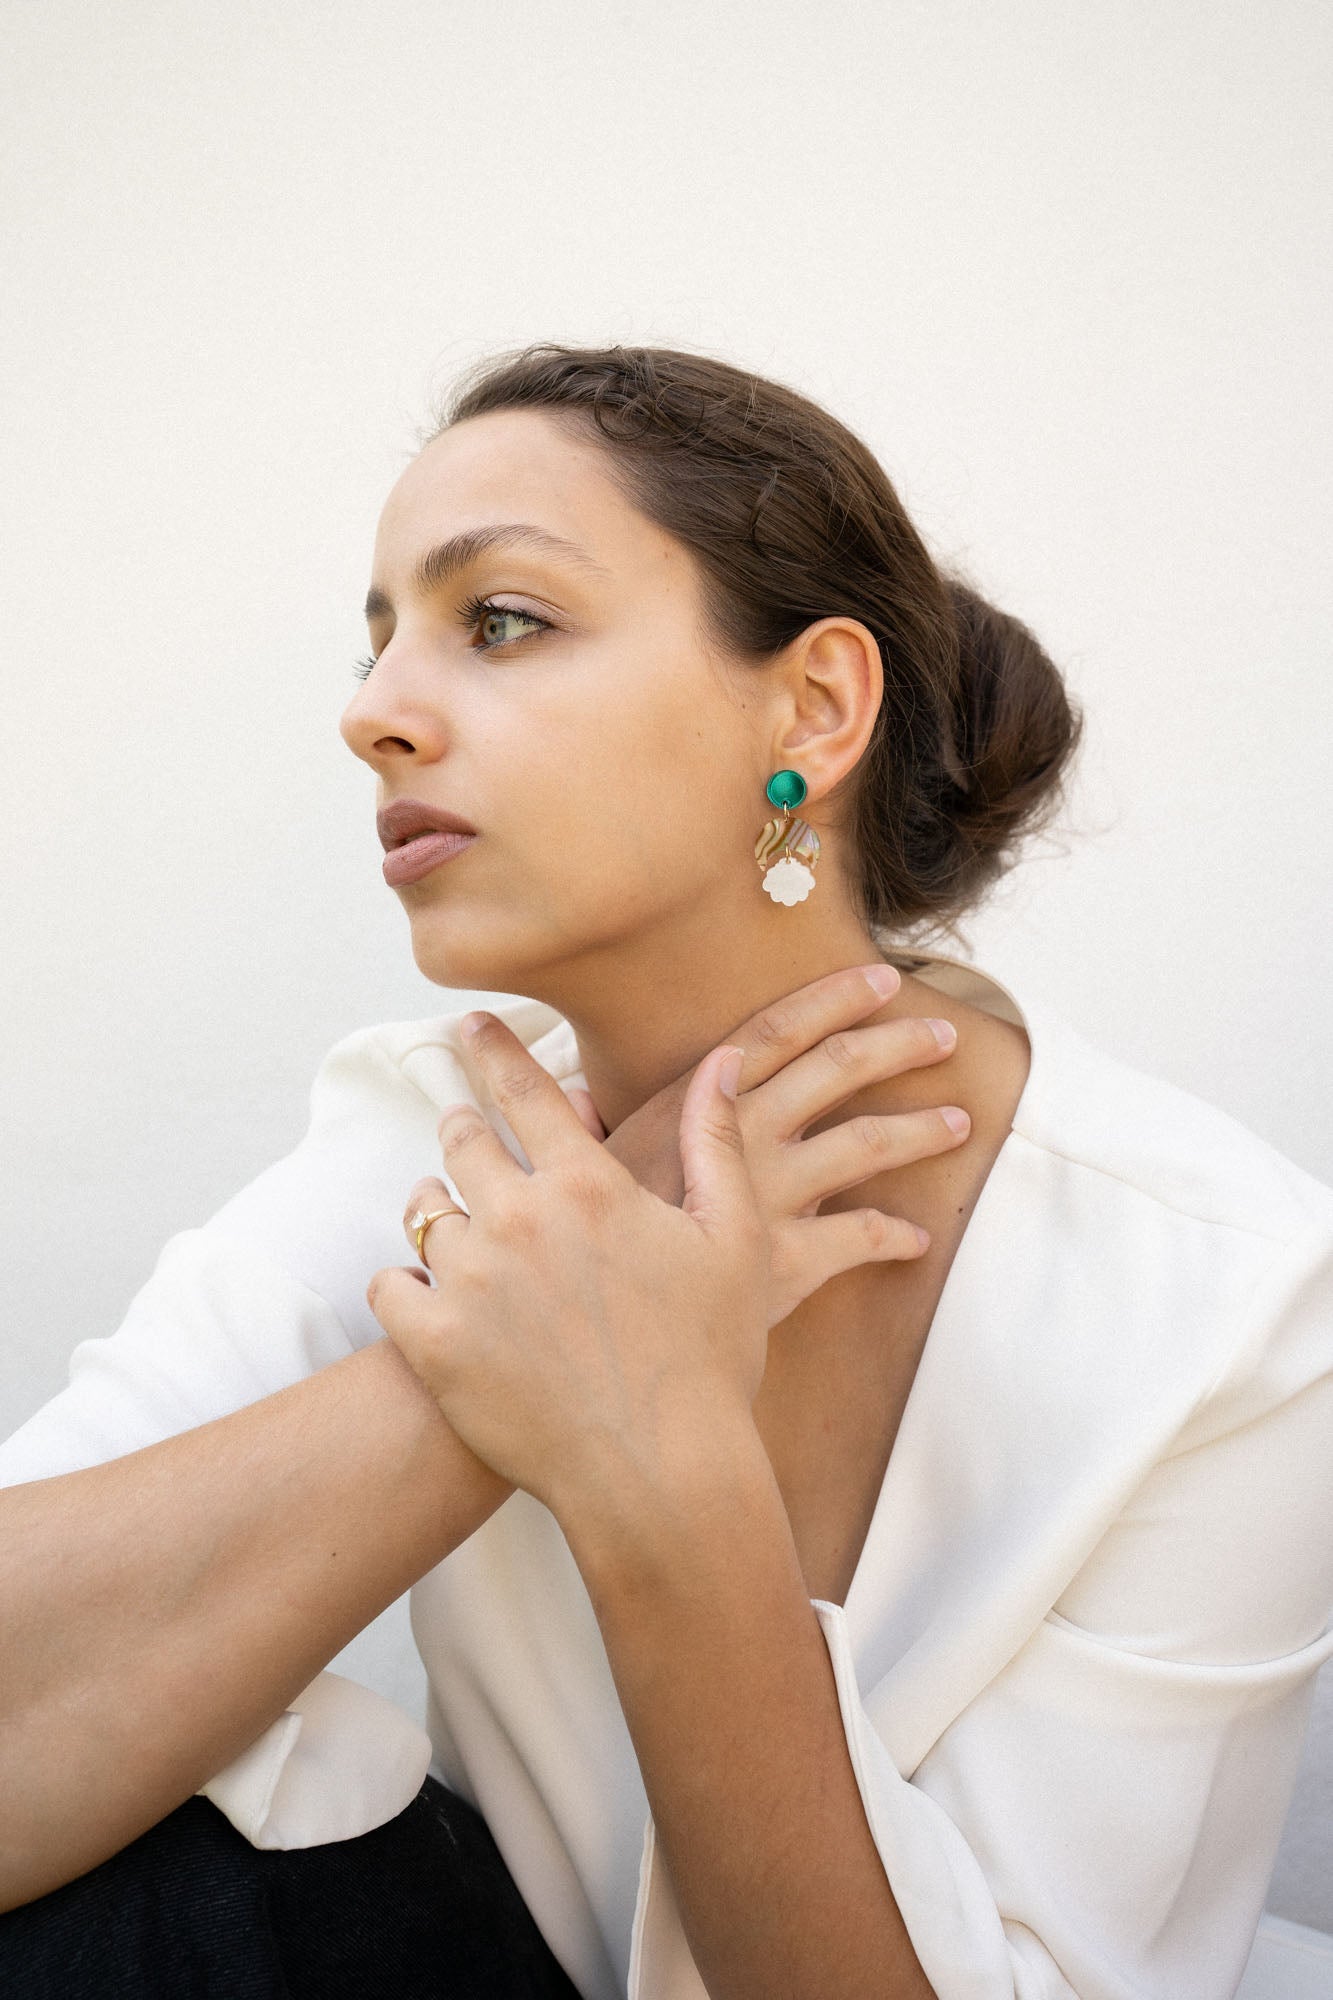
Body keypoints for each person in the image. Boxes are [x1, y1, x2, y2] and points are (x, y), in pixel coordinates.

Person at [0, 342, 1329, 2000]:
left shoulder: (1232, 1296)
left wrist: (651, 1455)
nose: (371, 715)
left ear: (814, 708)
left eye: (499, 620)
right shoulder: (416, 1137)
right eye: (379, 641)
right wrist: (489, 1360)